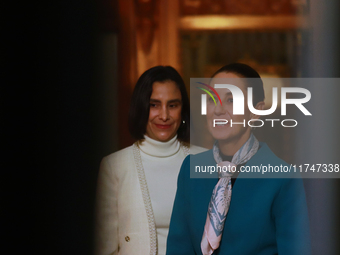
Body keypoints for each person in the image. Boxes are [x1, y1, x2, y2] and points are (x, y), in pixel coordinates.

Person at [166, 63, 311, 255]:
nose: (218, 110)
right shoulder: (190, 168)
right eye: (212, 99)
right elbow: (178, 248)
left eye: (231, 100)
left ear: (255, 111)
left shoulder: (282, 178)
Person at [95, 65, 206, 255]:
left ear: (183, 110)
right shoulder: (114, 166)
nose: (164, 115)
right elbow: (104, 248)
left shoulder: (207, 161)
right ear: (141, 108)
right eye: (154, 104)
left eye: (173, 105)